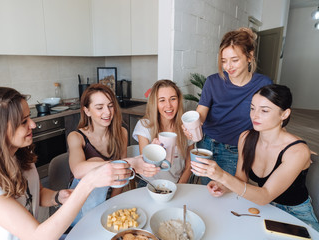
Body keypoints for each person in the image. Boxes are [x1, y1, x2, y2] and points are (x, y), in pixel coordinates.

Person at [0, 87, 132, 240]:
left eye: (30, 117)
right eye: (23, 122)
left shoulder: (20, 154)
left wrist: (57, 196)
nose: (33, 124)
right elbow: (37, 236)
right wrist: (89, 182)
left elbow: (36, 192)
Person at [191, 84, 319, 229]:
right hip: (262, 207)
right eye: (252, 108)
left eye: (264, 110)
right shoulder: (246, 138)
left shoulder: (297, 151)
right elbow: (241, 178)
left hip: (294, 214)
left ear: (284, 114)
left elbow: (265, 195)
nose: (255, 115)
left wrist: (222, 176)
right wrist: (224, 186)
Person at [184, 27, 273, 185]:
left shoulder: (263, 84)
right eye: (224, 61)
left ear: (249, 57)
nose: (228, 66)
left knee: (229, 191)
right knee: (207, 189)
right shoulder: (213, 81)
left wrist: (293, 145)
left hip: (235, 149)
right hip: (206, 144)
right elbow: (201, 114)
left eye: (235, 60)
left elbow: (272, 119)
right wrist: (193, 125)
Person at [67, 84, 159, 224]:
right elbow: (78, 170)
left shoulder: (121, 132)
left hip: (108, 197)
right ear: (87, 111)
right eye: (99, 107)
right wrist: (130, 163)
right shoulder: (76, 136)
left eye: (110, 106)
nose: (107, 112)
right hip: (80, 202)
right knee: (96, 161)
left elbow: (122, 176)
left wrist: (110, 203)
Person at [133, 80, 194, 186]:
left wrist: (179, 185)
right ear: (155, 103)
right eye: (162, 100)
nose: (168, 105)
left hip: (177, 183)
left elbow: (189, 164)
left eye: (173, 99)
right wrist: (152, 151)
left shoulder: (186, 127)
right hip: (149, 183)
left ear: (178, 100)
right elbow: (144, 164)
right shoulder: (144, 126)